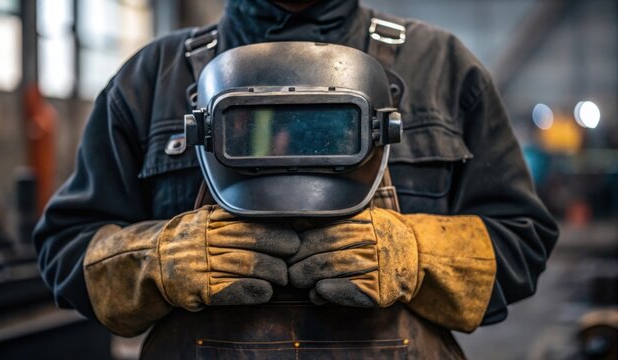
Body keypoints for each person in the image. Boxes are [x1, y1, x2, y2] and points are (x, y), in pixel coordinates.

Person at [33, 0, 559, 358]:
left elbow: (522, 240)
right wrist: (156, 262)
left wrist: (419, 255)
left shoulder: (443, 68)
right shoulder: (150, 79)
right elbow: (66, 249)